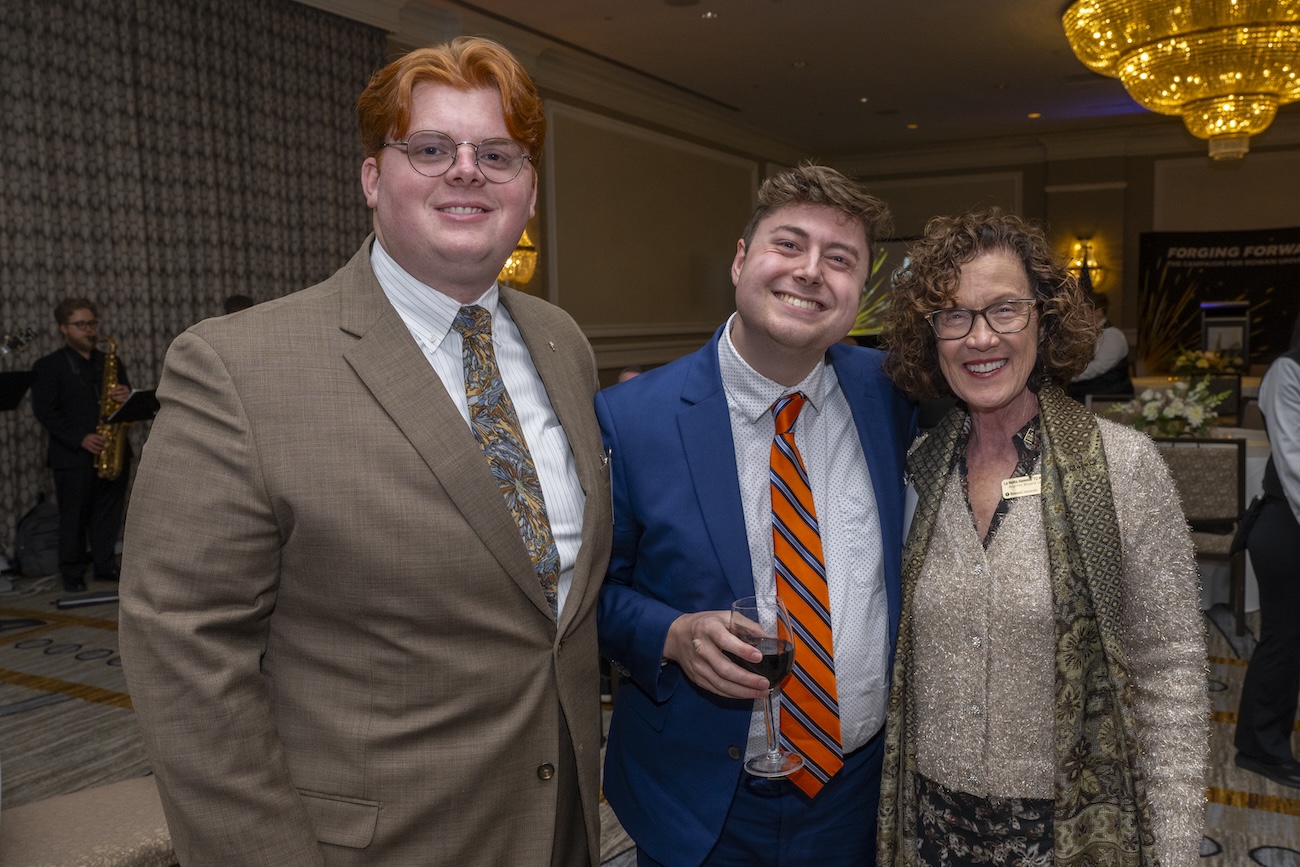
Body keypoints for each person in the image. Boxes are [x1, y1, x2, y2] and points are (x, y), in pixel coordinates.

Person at [118, 37, 612, 866]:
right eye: (430, 148)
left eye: (497, 154)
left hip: (560, 823)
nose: (467, 171)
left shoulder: (562, 343)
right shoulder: (238, 366)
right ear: (373, 179)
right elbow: (185, 659)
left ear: (528, 190)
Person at [598, 164, 914, 866]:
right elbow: (589, 596)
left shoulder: (895, 393)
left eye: (840, 260)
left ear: (859, 293)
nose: (810, 272)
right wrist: (671, 633)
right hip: (698, 799)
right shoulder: (631, 419)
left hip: (855, 796)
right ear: (742, 261)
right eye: (789, 245)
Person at [877, 209, 1207, 866]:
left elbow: (1171, 672)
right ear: (931, 336)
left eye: (1005, 309)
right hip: (931, 830)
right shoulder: (916, 469)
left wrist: (1173, 850)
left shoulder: (1123, 466)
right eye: (954, 315)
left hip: (1072, 831)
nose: (980, 337)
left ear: (1044, 319)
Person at [1234, 314, 1300, 788]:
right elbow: (1295, 463)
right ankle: (1260, 747)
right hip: (1284, 524)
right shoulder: (1288, 371)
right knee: (1285, 639)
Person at [29, 298, 131, 591]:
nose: (89, 330)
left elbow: (122, 408)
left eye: (92, 323)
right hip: (73, 455)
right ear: (64, 328)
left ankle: (104, 565)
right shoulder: (48, 366)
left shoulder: (109, 361)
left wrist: (126, 396)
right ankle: (72, 572)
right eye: (81, 324)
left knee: (108, 514)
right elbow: (45, 412)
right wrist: (81, 438)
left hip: (112, 450)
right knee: (74, 517)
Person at [1067, 290, 1133, 402]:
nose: (1078, 316)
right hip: (1087, 393)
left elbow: (1098, 367)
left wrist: (1068, 376)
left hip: (1108, 396)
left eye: (1083, 311)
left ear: (1098, 313)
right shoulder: (1084, 334)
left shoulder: (1112, 335)